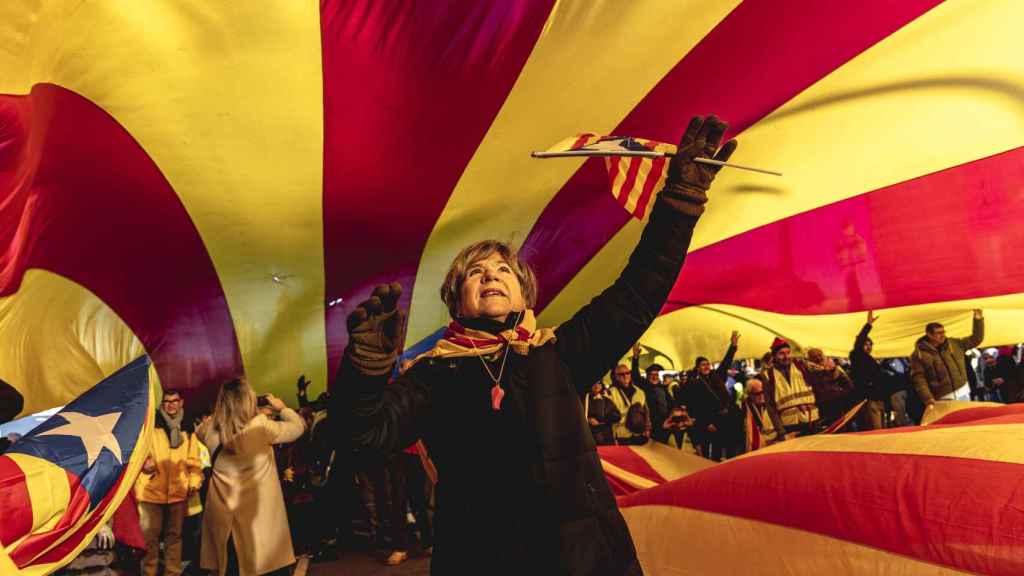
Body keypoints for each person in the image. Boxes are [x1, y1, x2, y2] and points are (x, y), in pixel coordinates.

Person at [333, 116, 737, 575]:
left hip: (586, 560)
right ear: (454, 299)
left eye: (503, 270)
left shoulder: (559, 353)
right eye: (475, 272)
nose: (490, 275)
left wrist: (681, 202)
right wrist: (364, 371)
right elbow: (364, 436)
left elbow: (639, 290)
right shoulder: (432, 375)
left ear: (525, 294)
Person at [196, 379, 306, 576]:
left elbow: (199, 431)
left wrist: (223, 413)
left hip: (224, 522)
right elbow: (298, 427)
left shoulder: (210, 431)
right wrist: (282, 409)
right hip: (260, 523)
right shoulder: (262, 428)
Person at [135, 389, 203, 576]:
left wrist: (194, 482)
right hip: (150, 490)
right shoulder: (150, 425)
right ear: (162, 403)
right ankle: (149, 573)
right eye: (167, 401)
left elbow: (194, 460)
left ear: (181, 402)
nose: (170, 404)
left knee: (174, 538)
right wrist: (144, 464)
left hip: (178, 491)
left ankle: (172, 573)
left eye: (174, 401)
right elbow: (138, 452)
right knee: (150, 538)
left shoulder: (187, 427)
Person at [683, 331, 743, 460]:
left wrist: (732, 346)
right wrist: (707, 423)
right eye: (703, 365)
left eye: (707, 364)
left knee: (731, 447)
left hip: (728, 417)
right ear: (698, 368)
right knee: (716, 449)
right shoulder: (695, 384)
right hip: (713, 420)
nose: (706, 366)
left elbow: (726, 362)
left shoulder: (717, 375)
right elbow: (697, 407)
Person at [910, 310, 984, 407]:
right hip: (943, 398)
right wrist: (928, 398)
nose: (943, 335)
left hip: (964, 392)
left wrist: (978, 319)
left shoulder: (954, 344)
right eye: (938, 333)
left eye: (943, 332)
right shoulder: (918, 355)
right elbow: (919, 379)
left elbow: (976, 339)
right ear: (929, 334)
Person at [609, 360, 651, 445]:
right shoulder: (610, 392)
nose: (625, 376)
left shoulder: (640, 392)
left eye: (627, 373)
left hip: (638, 433)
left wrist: (647, 428)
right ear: (616, 377)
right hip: (622, 435)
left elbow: (646, 411)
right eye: (621, 374)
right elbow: (609, 415)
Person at [585, 381, 621, 446]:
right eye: (594, 384)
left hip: (605, 436)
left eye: (599, 383)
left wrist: (604, 421)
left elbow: (617, 416)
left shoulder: (607, 400)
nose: (596, 386)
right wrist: (588, 419)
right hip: (590, 435)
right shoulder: (585, 400)